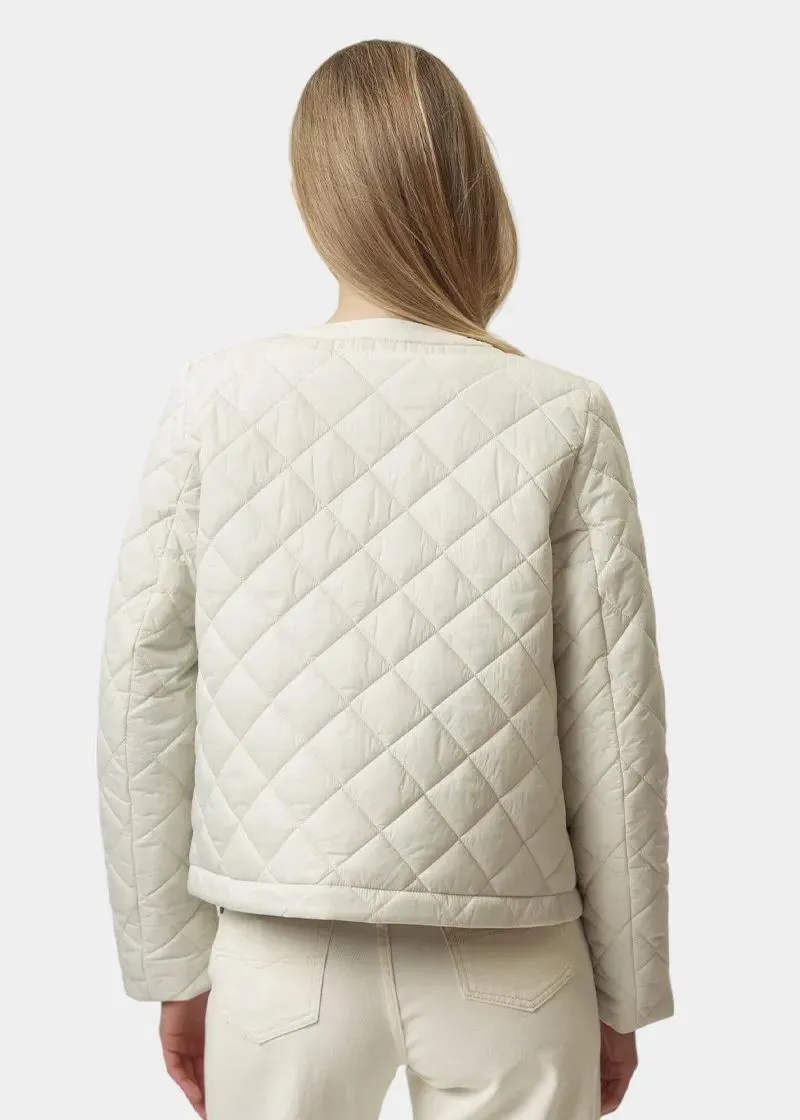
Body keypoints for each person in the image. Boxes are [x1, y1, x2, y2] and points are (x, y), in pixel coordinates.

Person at [95, 37, 672, 1120]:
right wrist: (627, 987)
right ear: (473, 186)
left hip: (278, 951)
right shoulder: (561, 412)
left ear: (312, 197)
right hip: (514, 953)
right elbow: (615, 728)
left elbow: (142, 694)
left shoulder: (215, 399)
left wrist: (168, 960)